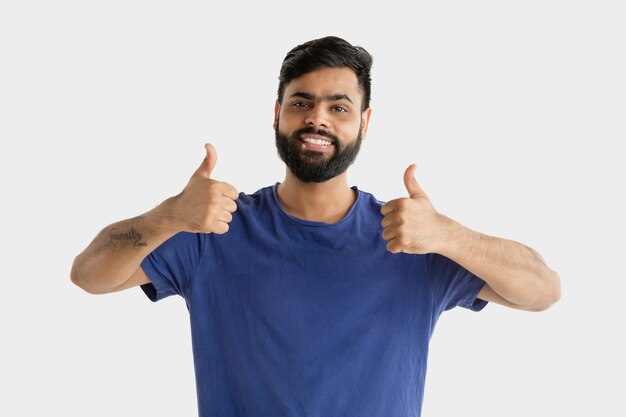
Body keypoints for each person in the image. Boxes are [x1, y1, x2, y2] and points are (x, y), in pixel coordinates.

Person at [71, 36, 561, 417]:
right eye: (301, 103)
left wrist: (449, 236)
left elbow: (542, 290)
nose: (317, 119)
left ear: (365, 123)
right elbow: (90, 275)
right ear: (277, 115)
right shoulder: (214, 230)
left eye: (338, 107)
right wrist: (168, 215)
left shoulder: (412, 238)